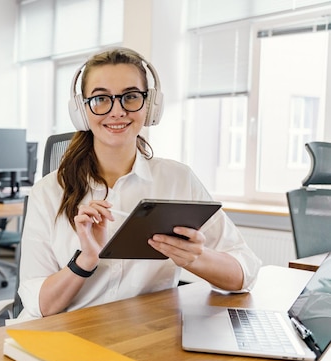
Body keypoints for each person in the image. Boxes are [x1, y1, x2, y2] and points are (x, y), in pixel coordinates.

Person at [18, 47, 262, 319]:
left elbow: (245, 273)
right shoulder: (49, 192)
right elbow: (39, 305)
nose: (117, 111)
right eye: (101, 99)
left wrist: (195, 257)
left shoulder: (178, 181)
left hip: (142, 338)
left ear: (150, 105)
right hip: (66, 338)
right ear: (82, 110)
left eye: (131, 97)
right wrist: (85, 260)